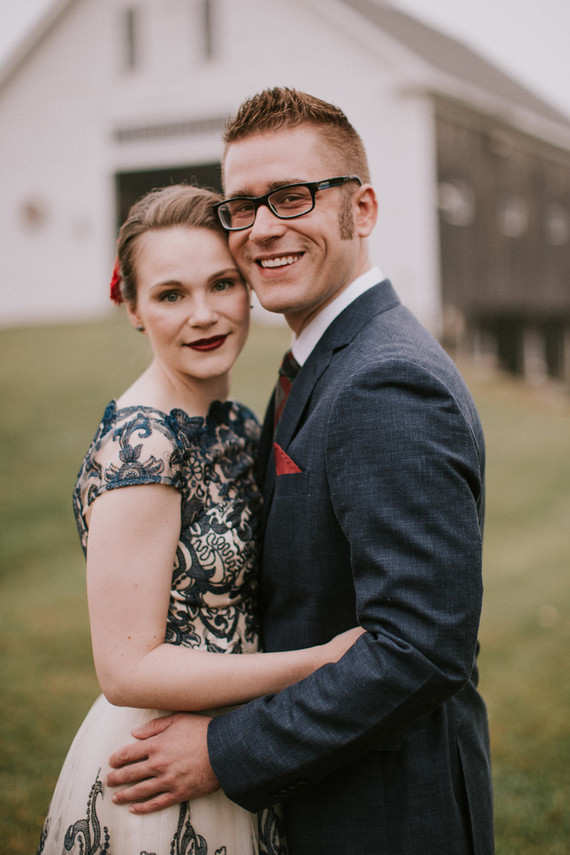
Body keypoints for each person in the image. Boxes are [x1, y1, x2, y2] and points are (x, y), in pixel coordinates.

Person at [107, 89, 495, 854]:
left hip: (382, 814)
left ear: (364, 208)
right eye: (243, 206)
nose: (263, 229)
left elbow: (418, 648)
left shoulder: (386, 382)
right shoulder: (323, 358)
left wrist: (223, 750)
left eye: (292, 197)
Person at [36, 183, 363, 855]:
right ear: (130, 305)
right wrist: (317, 663)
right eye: (170, 294)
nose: (205, 314)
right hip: (161, 762)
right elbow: (127, 669)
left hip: (234, 744)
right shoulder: (144, 446)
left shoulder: (236, 425)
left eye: (221, 283)